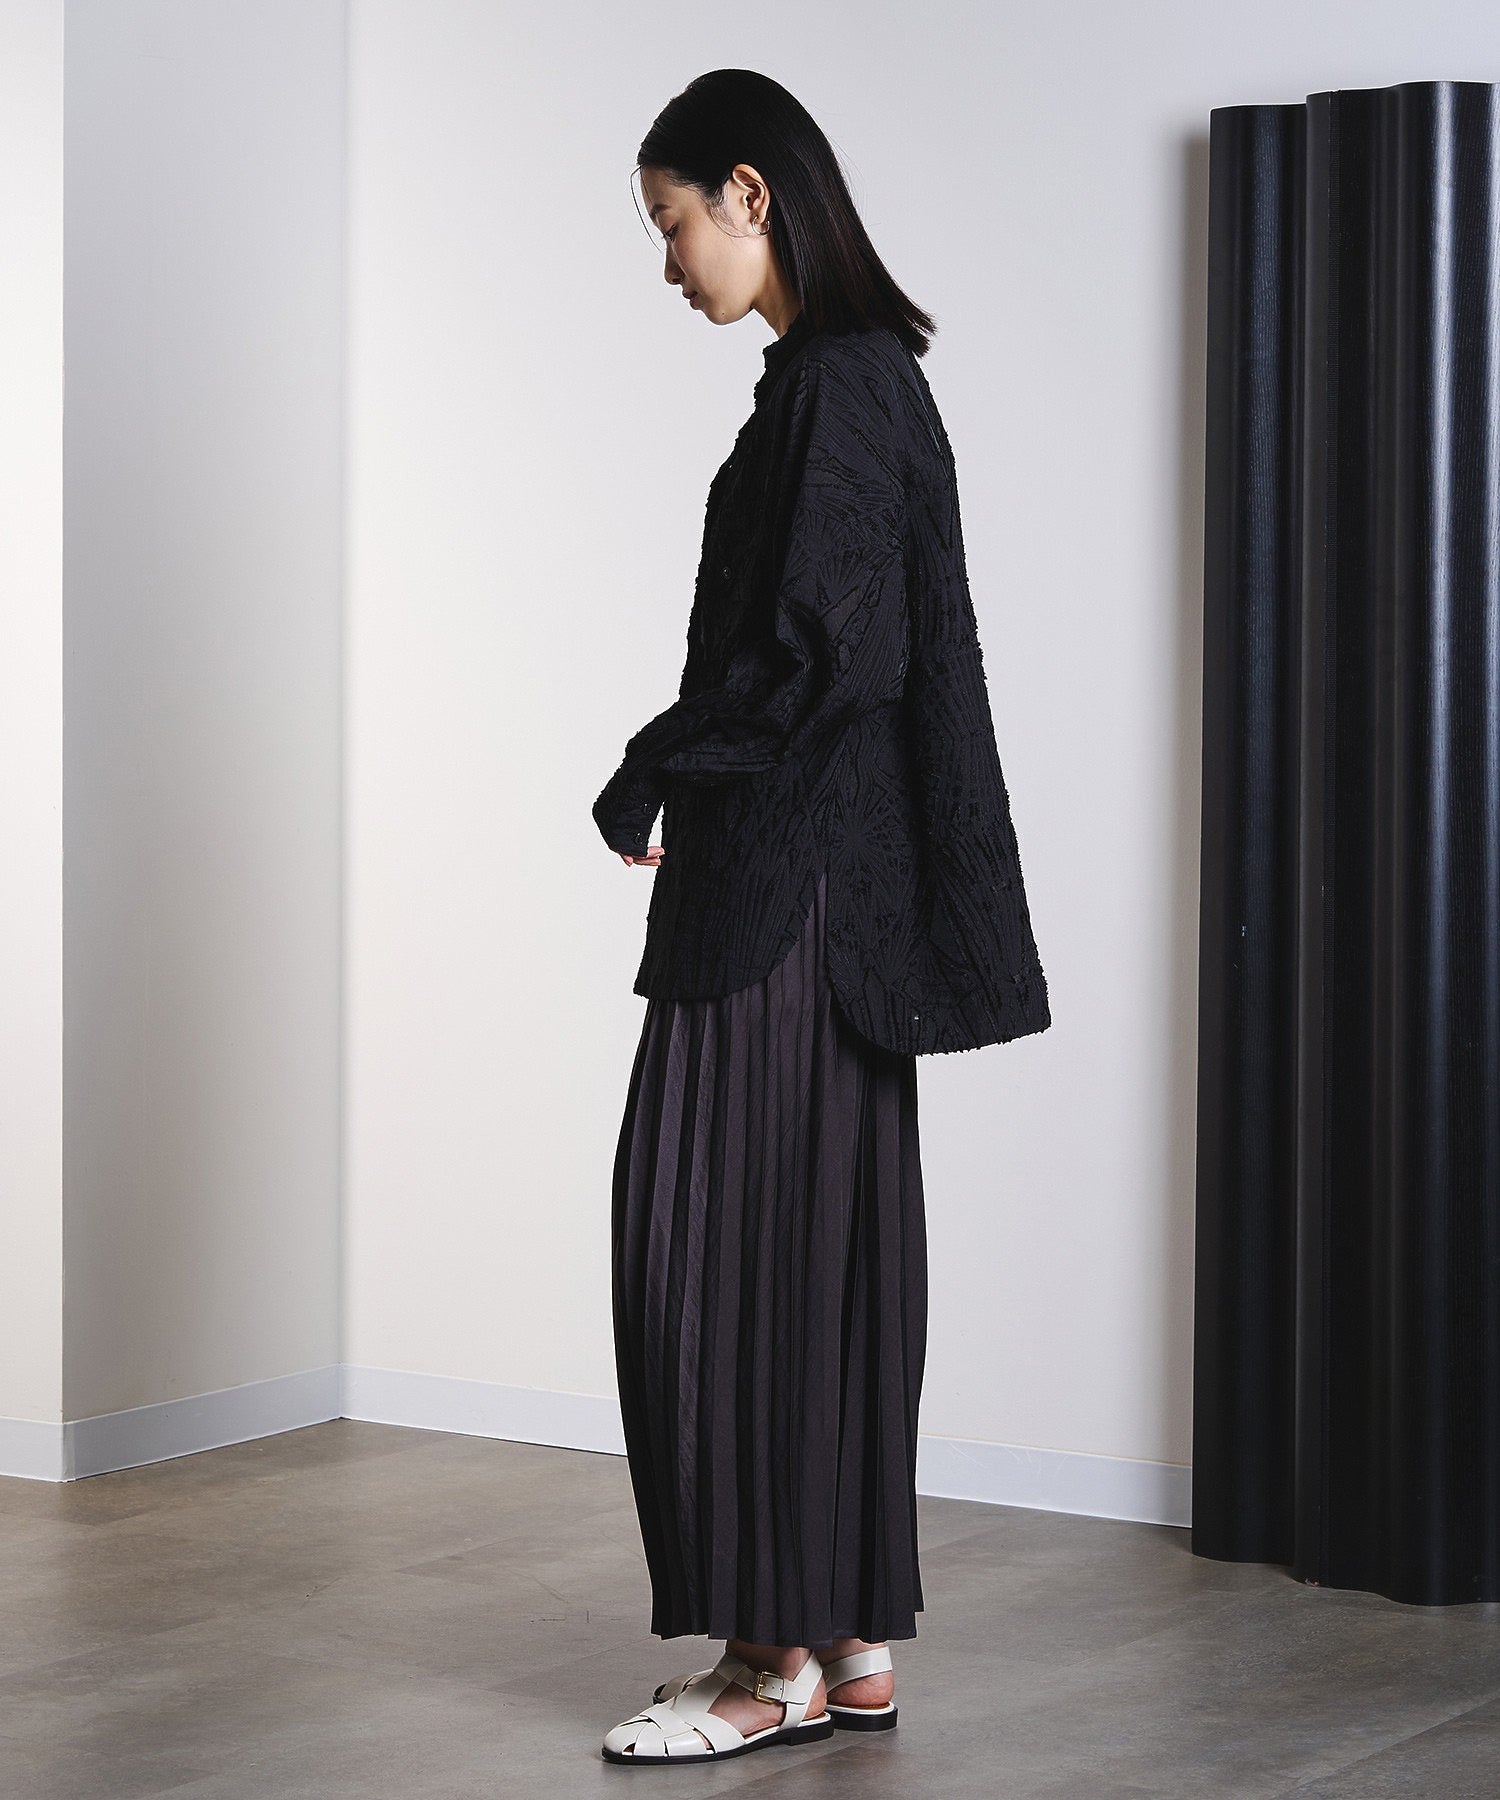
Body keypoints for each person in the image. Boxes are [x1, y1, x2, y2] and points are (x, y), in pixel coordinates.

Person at [593, 69, 1051, 1766]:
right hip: (826, 907)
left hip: (788, 905)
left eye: (673, 224)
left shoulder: (841, 391)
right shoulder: (845, 383)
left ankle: (763, 1658)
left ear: (751, 192)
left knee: (712, 1254)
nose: (668, 265)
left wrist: (657, 763)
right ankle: (846, 1639)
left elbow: (819, 657)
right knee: (820, 1256)